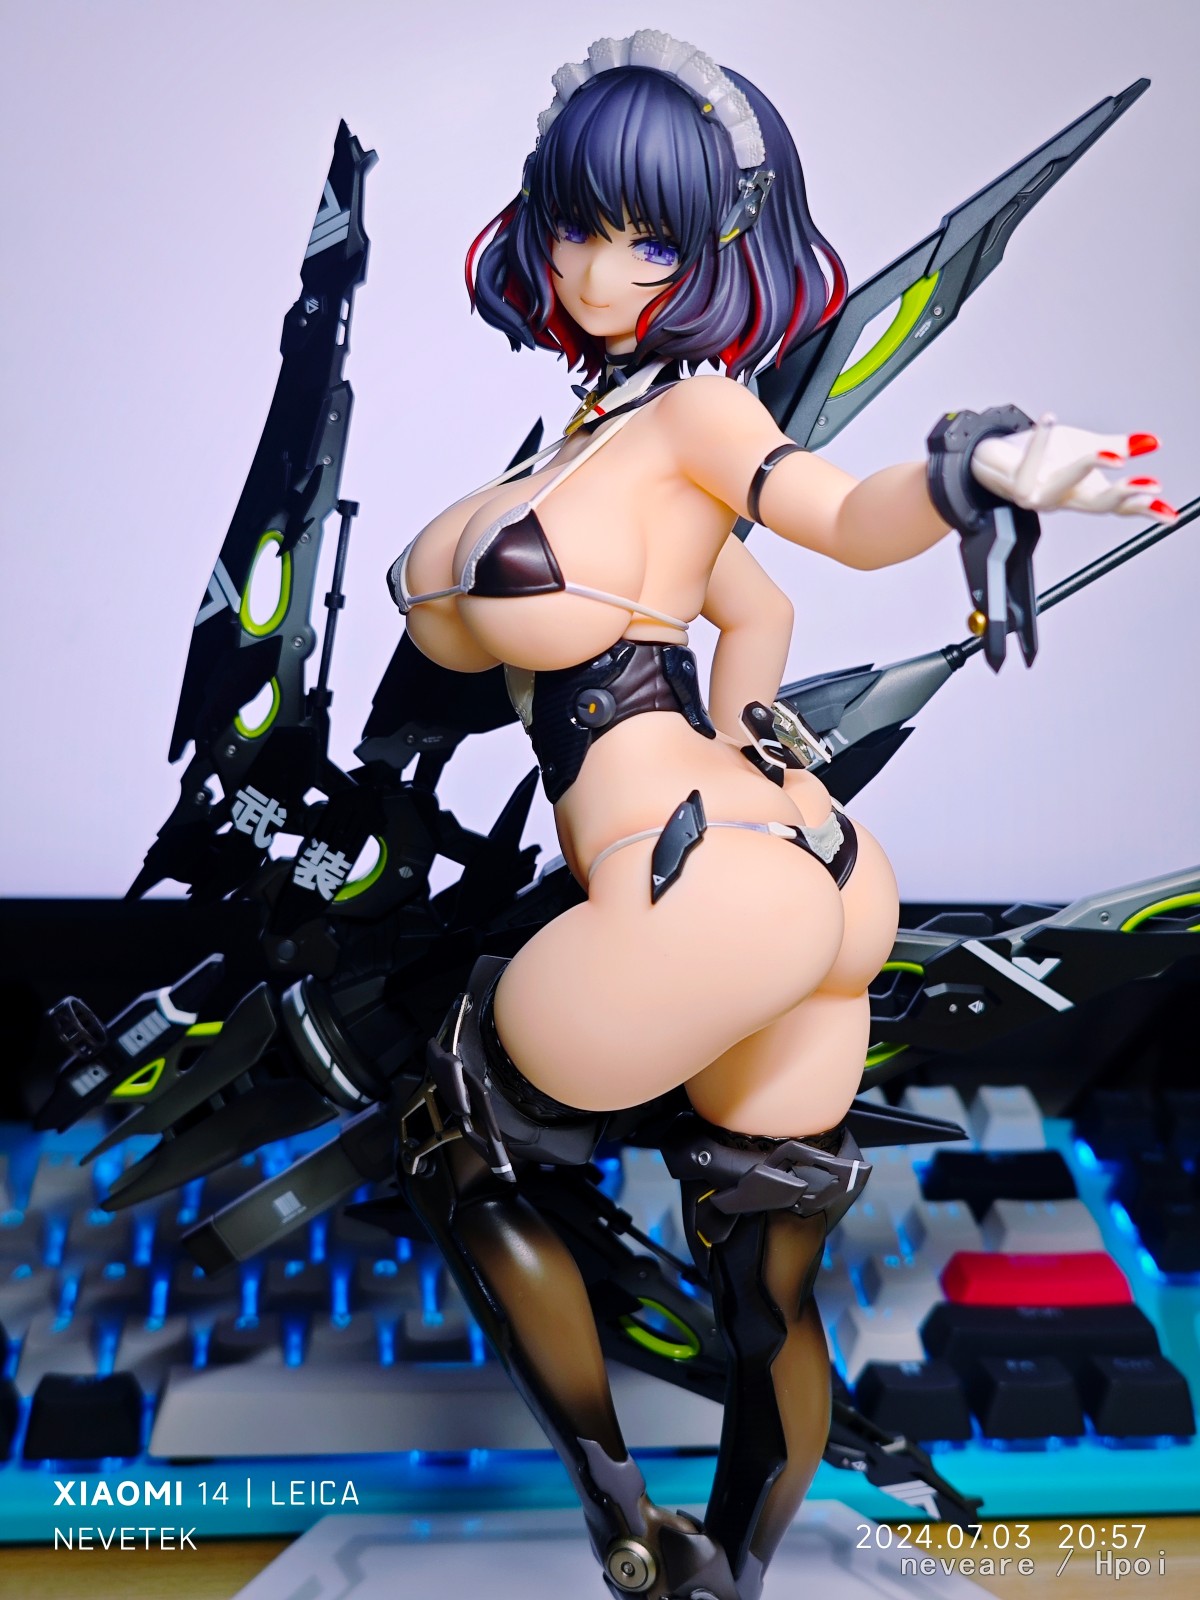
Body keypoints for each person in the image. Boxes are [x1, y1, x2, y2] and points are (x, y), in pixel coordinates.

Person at [390, 33, 1169, 1600]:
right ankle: (730, 1574)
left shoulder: (695, 415)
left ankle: (625, 1522)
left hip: (698, 878)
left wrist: (975, 469)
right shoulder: (615, 440)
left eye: (650, 240)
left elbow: (837, 517)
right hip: (800, 868)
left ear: (720, 251)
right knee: (765, 1302)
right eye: (580, 225)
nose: (600, 270)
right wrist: (750, 740)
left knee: (452, 1138)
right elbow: (759, 611)